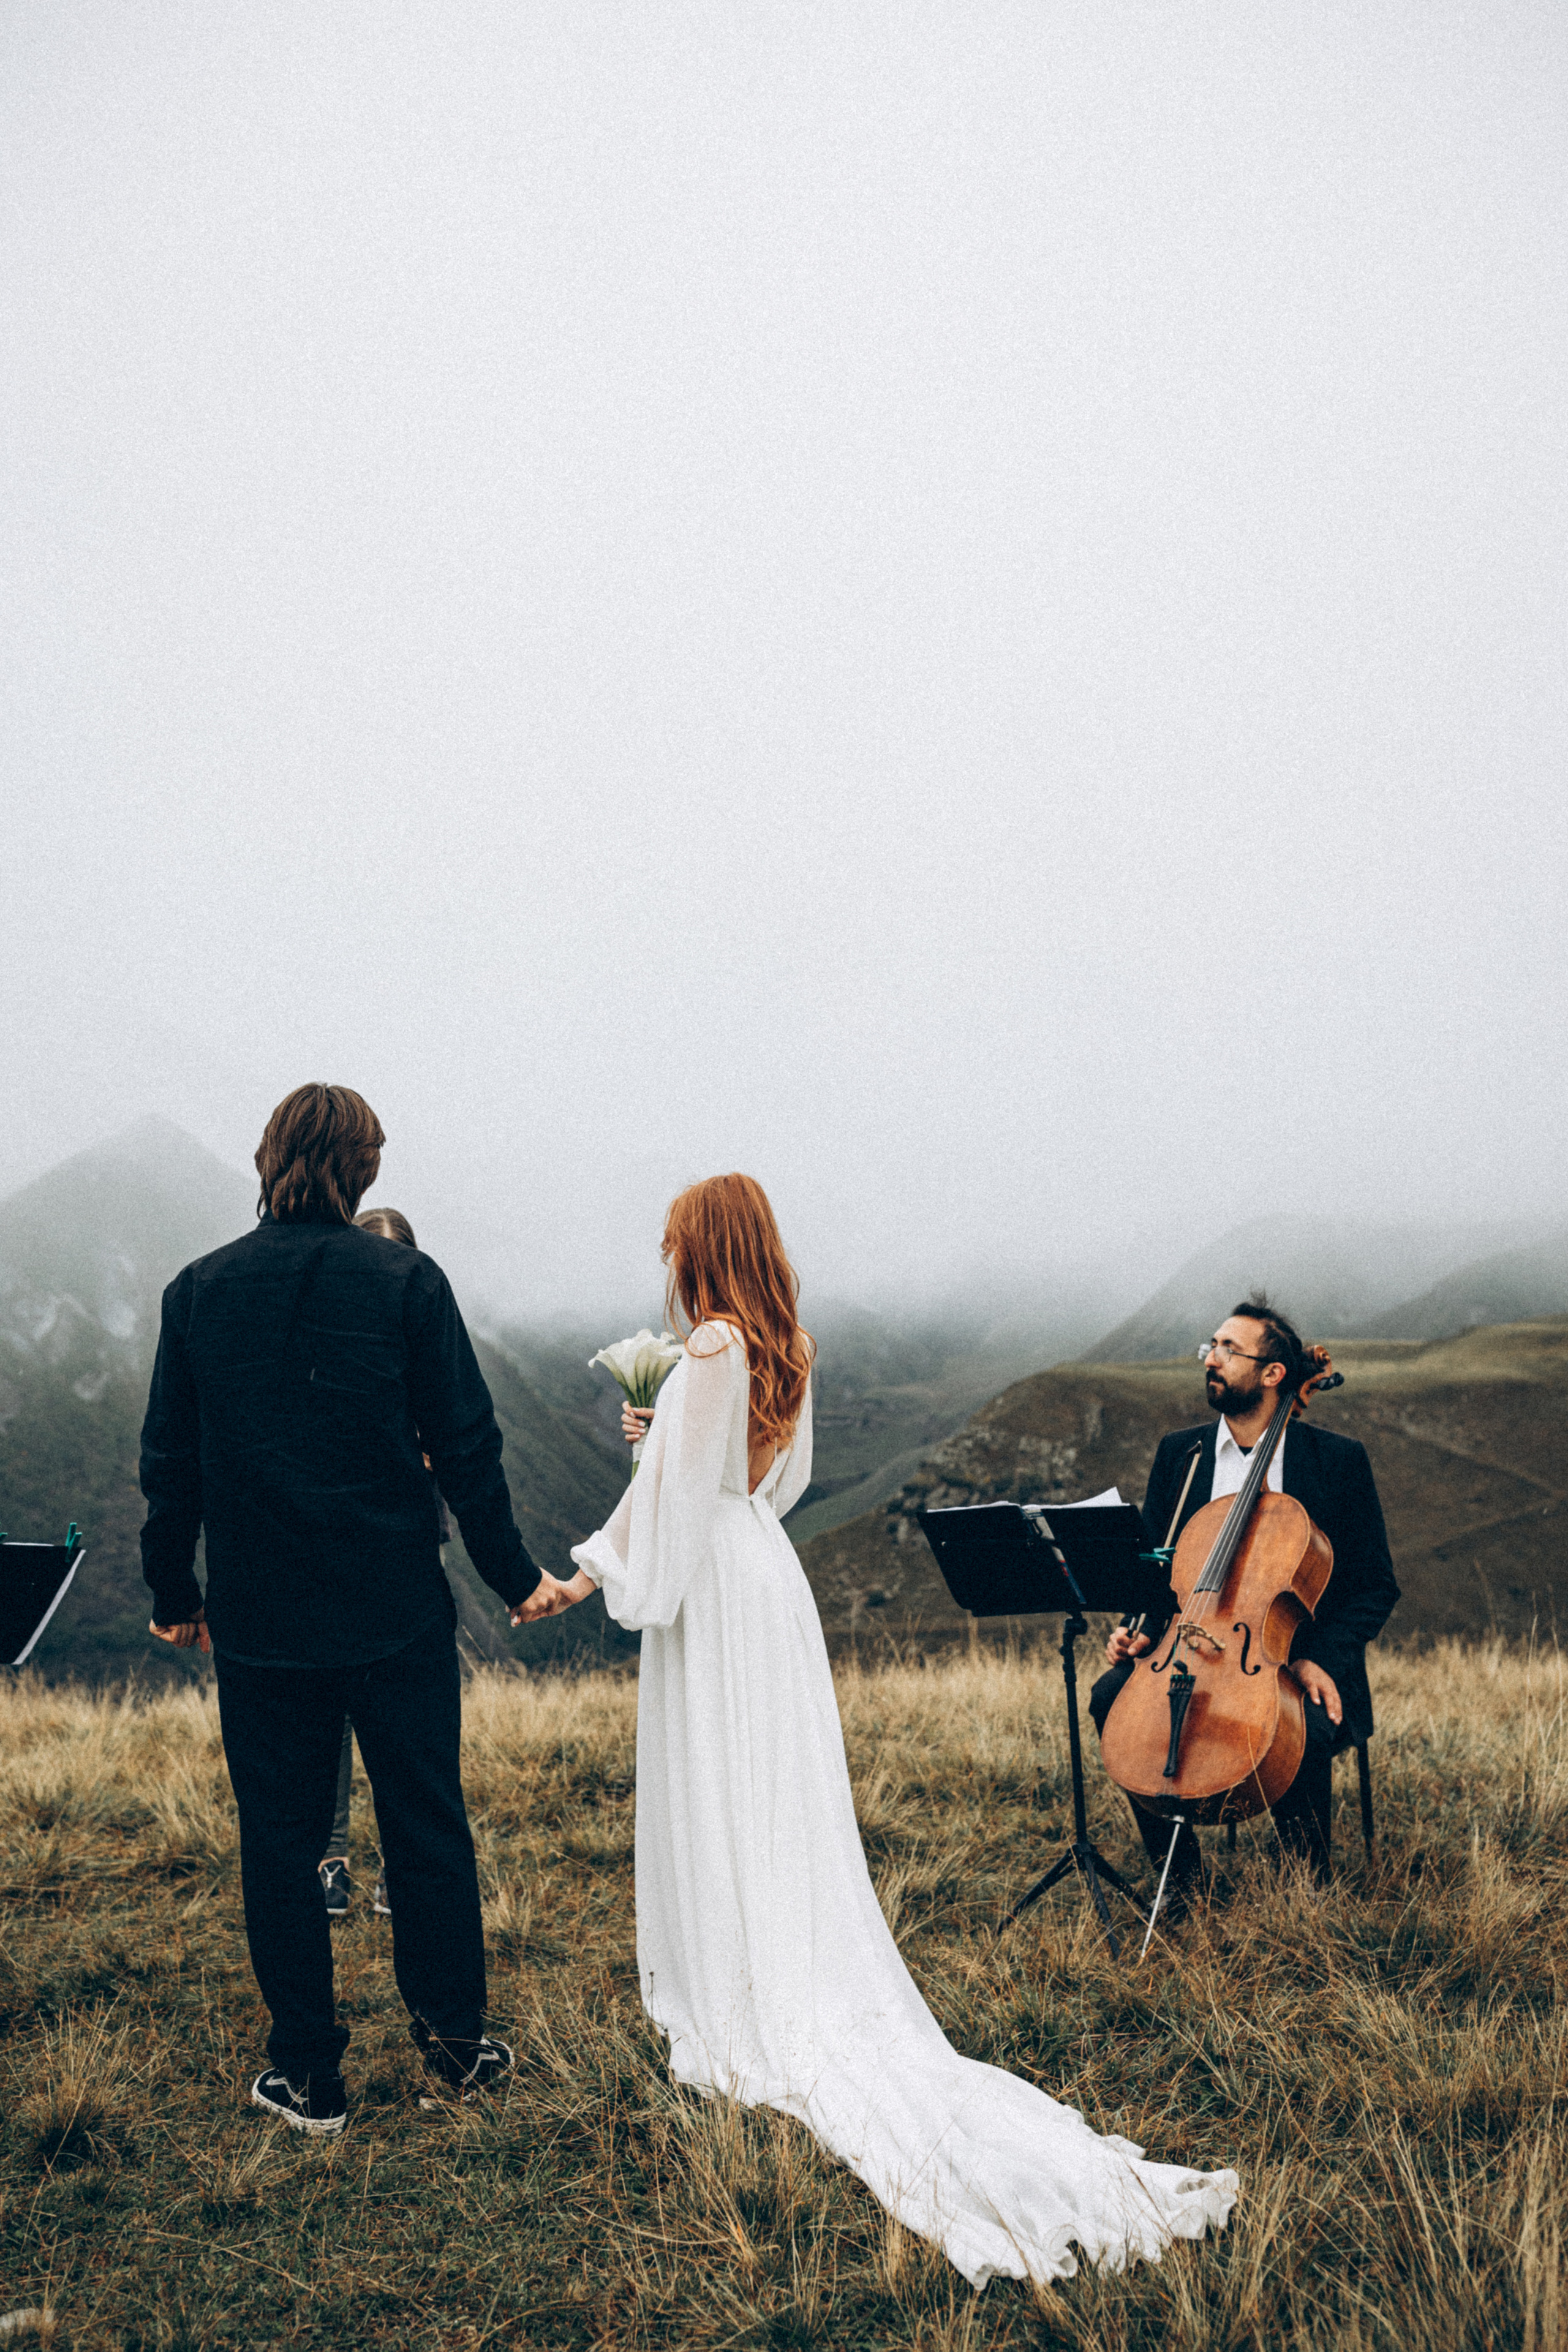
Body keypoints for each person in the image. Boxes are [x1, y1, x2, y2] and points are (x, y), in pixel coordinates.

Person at [518, 1174, 1237, 2288]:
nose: (668, 1263)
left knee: (721, 1784)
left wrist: (584, 1572)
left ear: (702, 1247)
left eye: (675, 1244)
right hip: (766, 1576)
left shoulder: (709, 1345)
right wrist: (665, 1442)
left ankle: (739, 1987)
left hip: (716, 1585)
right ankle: (775, 1951)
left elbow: (674, 1506)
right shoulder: (787, 1345)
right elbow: (771, 1484)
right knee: (774, 1792)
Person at [141, 1085, 545, 2135]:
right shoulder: (409, 1282)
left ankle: (310, 2078)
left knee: (278, 1842)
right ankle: (456, 2049)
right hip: (396, 1606)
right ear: (363, 1169)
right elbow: (468, 1447)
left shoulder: (197, 1291)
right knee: (425, 1823)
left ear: (269, 1157)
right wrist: (513, 1576)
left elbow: (168, 1465)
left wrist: (174, 1594)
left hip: (263, 1620)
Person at [1090, 1297, 1400, 1905]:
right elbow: (1158, 1575)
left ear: (1273, 1374)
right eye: (1212, 1346)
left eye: (1230, 1349)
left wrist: (1323, 1661)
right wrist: (1140, 1631)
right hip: (1189, 1647)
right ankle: (1180, 1879)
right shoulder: (1182, 1454)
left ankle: (1303, 1884)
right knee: (1110, 1698)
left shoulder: (1336, 1462)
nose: (1213, 1358)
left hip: (1296, 1658)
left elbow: (1373, 1585)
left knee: (1299, 1719)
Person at [317, 1205, 439, 1922]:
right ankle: (331, 1861)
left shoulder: (424, 1335)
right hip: (330, 1552)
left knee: (398, 1716)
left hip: (405, 1549)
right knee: (331, 1713)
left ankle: (398, 1866)